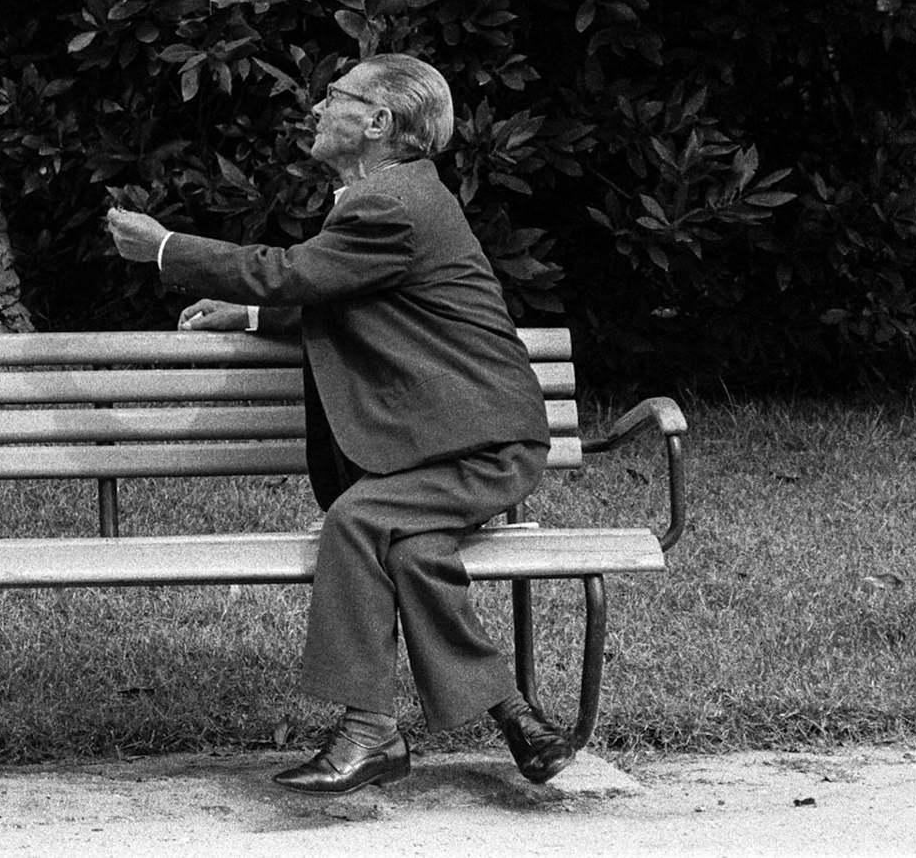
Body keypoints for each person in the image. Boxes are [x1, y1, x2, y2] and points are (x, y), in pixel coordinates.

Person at [105, 53, 574, 794]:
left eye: (335, 96)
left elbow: (293, 271)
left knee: (357, 520)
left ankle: (369, 733)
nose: (318, 108)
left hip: (482, 445)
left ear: (378, 122)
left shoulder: (389, 201)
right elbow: (339, 294)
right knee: (413, 549)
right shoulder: (391, 196)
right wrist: (255, 315)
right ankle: (517, 715)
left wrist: (165, 248)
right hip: (450, 444)